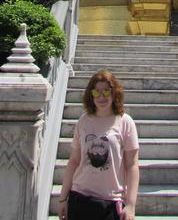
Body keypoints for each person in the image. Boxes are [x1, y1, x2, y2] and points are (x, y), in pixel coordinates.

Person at [58, 70, 139, 220]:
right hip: (79, 198)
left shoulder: (125, 122)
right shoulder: (84, 121)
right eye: (96, 92)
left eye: (106, 91)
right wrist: (63, 198)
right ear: (91, 95)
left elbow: (132, 165)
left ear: (114, 93)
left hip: (111, 201)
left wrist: (131, 205)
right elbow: (74, 161)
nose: (101, 97)